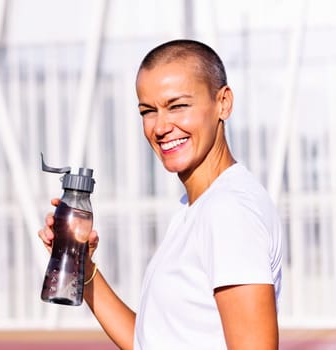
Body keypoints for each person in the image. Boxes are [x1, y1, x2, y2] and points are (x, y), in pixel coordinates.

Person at [38, 39, 283, 350]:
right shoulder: (195, 207)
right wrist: (82, 266)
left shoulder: (228, 210)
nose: (161, 126)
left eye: (178, 106)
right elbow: (149, 343)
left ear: (223, 103)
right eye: (148, 111)